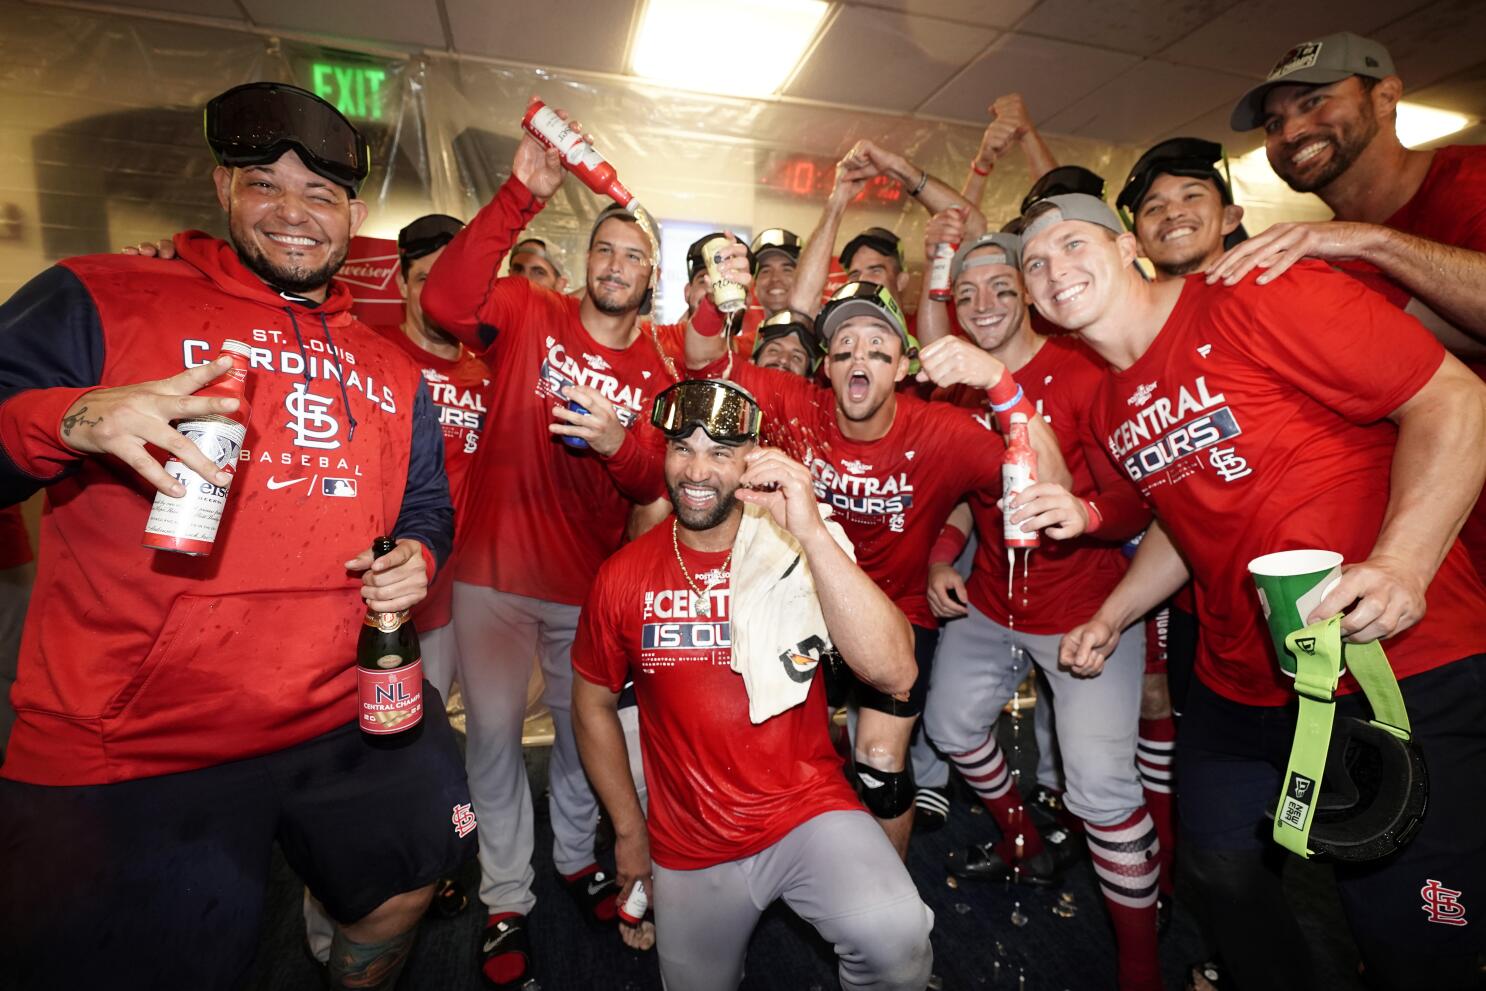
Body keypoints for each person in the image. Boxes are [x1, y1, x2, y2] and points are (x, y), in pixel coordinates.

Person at [0, 81, 469, 991]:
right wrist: (74, 418)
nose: (293, 212)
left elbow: (425, 505)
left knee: (411, 881)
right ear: (221, 189)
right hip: (138, 739)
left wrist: (420, 553)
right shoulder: (103, 295)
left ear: (354, 215)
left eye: (321, 194)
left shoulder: (388, 366)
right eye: (265, 183)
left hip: (349, 708)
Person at [1022, 192, 1486, 991]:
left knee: (1415, 933)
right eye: (1035, 262)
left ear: (1128, 243)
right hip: (1243, 685)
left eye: (1073, 242)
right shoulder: (1106, 400)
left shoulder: (1255, 292)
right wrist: (1115, 611)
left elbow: (1453, 396)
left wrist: (1404, 559)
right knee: (1221, 875)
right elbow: (1178, 511)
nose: (1055, 268)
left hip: (1395, 665)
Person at [418, 99, 752, 990]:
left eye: (633, 255)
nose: (615, 264)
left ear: (650, 277)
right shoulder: (532, 310)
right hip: (492, 571)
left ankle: (574, 855)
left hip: (590, 587)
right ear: (587, 260)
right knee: (490, 736)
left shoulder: (655, 365)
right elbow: (446, 298)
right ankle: (503, 896)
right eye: (604, 249)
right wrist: (518, 196)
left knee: (579, 736)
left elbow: (655, 480)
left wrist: (618, 440)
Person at [685, 276, 1068, 858]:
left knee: (882, 766)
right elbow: (701, 364)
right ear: (827, 368)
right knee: (772, 747)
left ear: (904, 365)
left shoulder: (942, 432)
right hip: (804, 608)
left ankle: (888, 904)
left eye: (876, 344)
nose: (859, 356)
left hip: (898, 614)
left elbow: (1050, 486)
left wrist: (999, 381)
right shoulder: (796, 403)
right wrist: (718, 294)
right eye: (844, 346)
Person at [571, 378, 933, 991]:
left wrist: (813, 532)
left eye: (720, 451)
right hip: (690, 839)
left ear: (751, 461)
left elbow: (896, 672)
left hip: (806, 812)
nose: (696, 469)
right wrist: (632, 835)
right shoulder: (623, 575)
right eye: (682, 447)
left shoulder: (792, 548)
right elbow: (591, 707)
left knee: (899, 937)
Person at [916, 225, 1161, 991]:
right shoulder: (956, 386)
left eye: (999, 287)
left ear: (1027, 293)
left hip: (1088, 608)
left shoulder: (1083, 369)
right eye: (966, 294)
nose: (983, 303)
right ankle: (1022, 835)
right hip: (993, 598)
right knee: (949, 722)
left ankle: (1142, 967)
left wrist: (1000, 382)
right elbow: (966, 491)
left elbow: (1125, 507)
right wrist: (937, 555)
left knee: (1099, 789)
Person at [1214, 29, 1486, 576]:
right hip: (1440, 550)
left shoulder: (1472, 179)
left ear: (1385, 96)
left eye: (1314, 102)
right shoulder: (1323, 255)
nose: (1291, 130)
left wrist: (1371, 241)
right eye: (1273, 123)